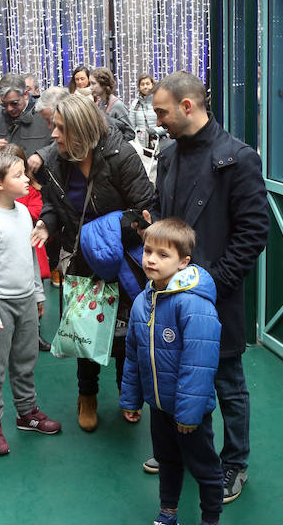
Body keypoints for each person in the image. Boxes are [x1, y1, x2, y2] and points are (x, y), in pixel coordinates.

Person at [141, 71, 269, 504]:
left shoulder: (238, 158)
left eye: (162, 111)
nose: (158, 120)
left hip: (216, 300)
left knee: (228, 382)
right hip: (169, 297)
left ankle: (235, 462)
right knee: (178, 375)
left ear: (187, 107)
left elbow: (254, 233)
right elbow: (163, 212)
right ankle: (186, 449)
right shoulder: (171, 153)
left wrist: (212, 284)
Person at [31, 93, 153, 432]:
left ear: (82, 131)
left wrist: (108, 229)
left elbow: (146, 209)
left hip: (121, 258)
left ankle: (127, 393)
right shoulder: (58, 158)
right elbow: (55, 205)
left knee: (125, 330)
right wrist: (46, 223)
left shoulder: (120, 156)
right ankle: (87, 396)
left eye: (60, 128)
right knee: (85, 330)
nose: (53, 135)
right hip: (79, 259)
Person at [120, 218, 223, 525]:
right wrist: (131, 399)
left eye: (163, 255)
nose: (151, 259)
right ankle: (168, 512)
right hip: (159, 406)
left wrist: (189, 415)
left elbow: (200, 364)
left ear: (183, 262)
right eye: (148, 250)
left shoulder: (193, 304)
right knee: (167, 461)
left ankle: (211, 520)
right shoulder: (143, 301)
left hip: (189, 413)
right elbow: (134, 356)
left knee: (204, 467)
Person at [0, 152, 61, 456]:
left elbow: (30, 255)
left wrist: (37, 294)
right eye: (18, 175)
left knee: (25, 360)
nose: (26, 179)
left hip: (24, 301)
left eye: (25, 174)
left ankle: (26, 413)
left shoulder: (22, 212)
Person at [0, 73, 53, 177]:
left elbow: (62, 143)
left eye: (14, 103)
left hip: (40, 182)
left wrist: (42, 155)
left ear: (25, 94)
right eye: (4, 104)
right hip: (5, 184)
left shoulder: (44, 113)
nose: (9, 108)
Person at [90, 66, 136, 140]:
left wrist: (115, 143)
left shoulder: (117, 105)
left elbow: (130, 133)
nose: (91, 87)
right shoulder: (98, 103)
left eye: (93, 83)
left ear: (103, 84)